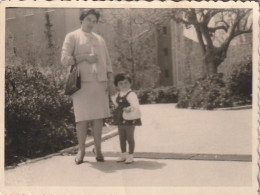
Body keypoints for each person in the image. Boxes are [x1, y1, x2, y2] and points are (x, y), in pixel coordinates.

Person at [61, 9, 115, 164]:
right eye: (88, 19)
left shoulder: (100, 39)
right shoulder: (72, 36)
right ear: (82, 19)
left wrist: (110, 81)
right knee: (82, 118)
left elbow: (108, 62)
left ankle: (98, 149)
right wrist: (85, 58)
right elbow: (64, 60)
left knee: (98, 118)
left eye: (94, 21)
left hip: (99, 83)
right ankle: (81, 150)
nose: (91, 23)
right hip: (81, 84)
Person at [111, 73, 142, 164]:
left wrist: (130, 108)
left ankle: (130, 155)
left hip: (130, 118)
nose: (124, 85)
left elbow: (135, 105)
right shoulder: (118, 94)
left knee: (129, 137)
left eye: (126, 83)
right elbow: (116, 104)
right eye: (121, 83)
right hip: (120, 118)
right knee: (122, 137)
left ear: (130, 83)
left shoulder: (131, 94)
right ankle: (123, 154)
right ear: (117, 86)